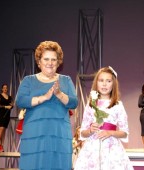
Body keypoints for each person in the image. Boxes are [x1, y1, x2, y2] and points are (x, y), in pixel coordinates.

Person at [15, 40, 78, 170]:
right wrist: (43, 98)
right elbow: (20, 100)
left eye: (54, 59)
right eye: (46, 59)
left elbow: (74, 102)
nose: (50, 63)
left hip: (59, 133)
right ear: (39, 61)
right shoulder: (28, 80)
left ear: (58, 62)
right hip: (34, 133)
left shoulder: (66, 80)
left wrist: (59, 94)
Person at [74, 66, 134, 170]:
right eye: (101, 80)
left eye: (108, 81)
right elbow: (82, 132)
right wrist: (90, 130)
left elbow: (124, 132)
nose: (104, 84)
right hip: (92, 150)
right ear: (96, 83)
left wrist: (110, 133)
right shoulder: (91, 105)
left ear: (113, 84)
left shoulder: (118, 105)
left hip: (112, 150)